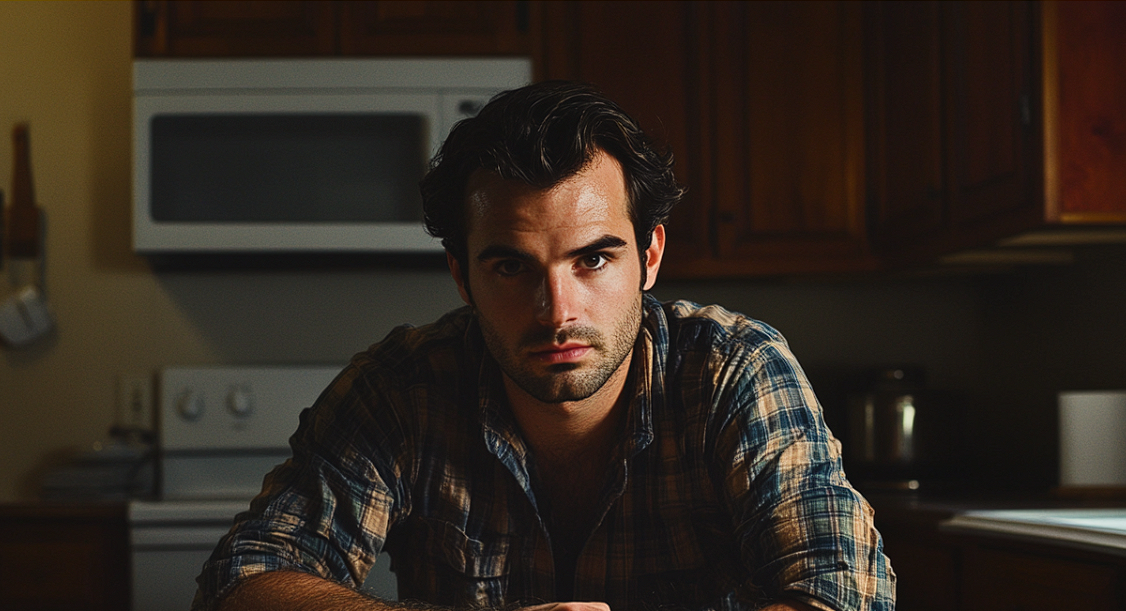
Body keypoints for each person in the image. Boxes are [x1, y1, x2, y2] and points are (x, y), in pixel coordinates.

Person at [193, 81, 895, 611]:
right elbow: (242, 579)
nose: (557, 310)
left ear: (649, 255)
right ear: (461, 276)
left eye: (593, 259)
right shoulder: (402, 387)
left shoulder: (732, 369)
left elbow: (844, 590)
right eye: (511, 265)